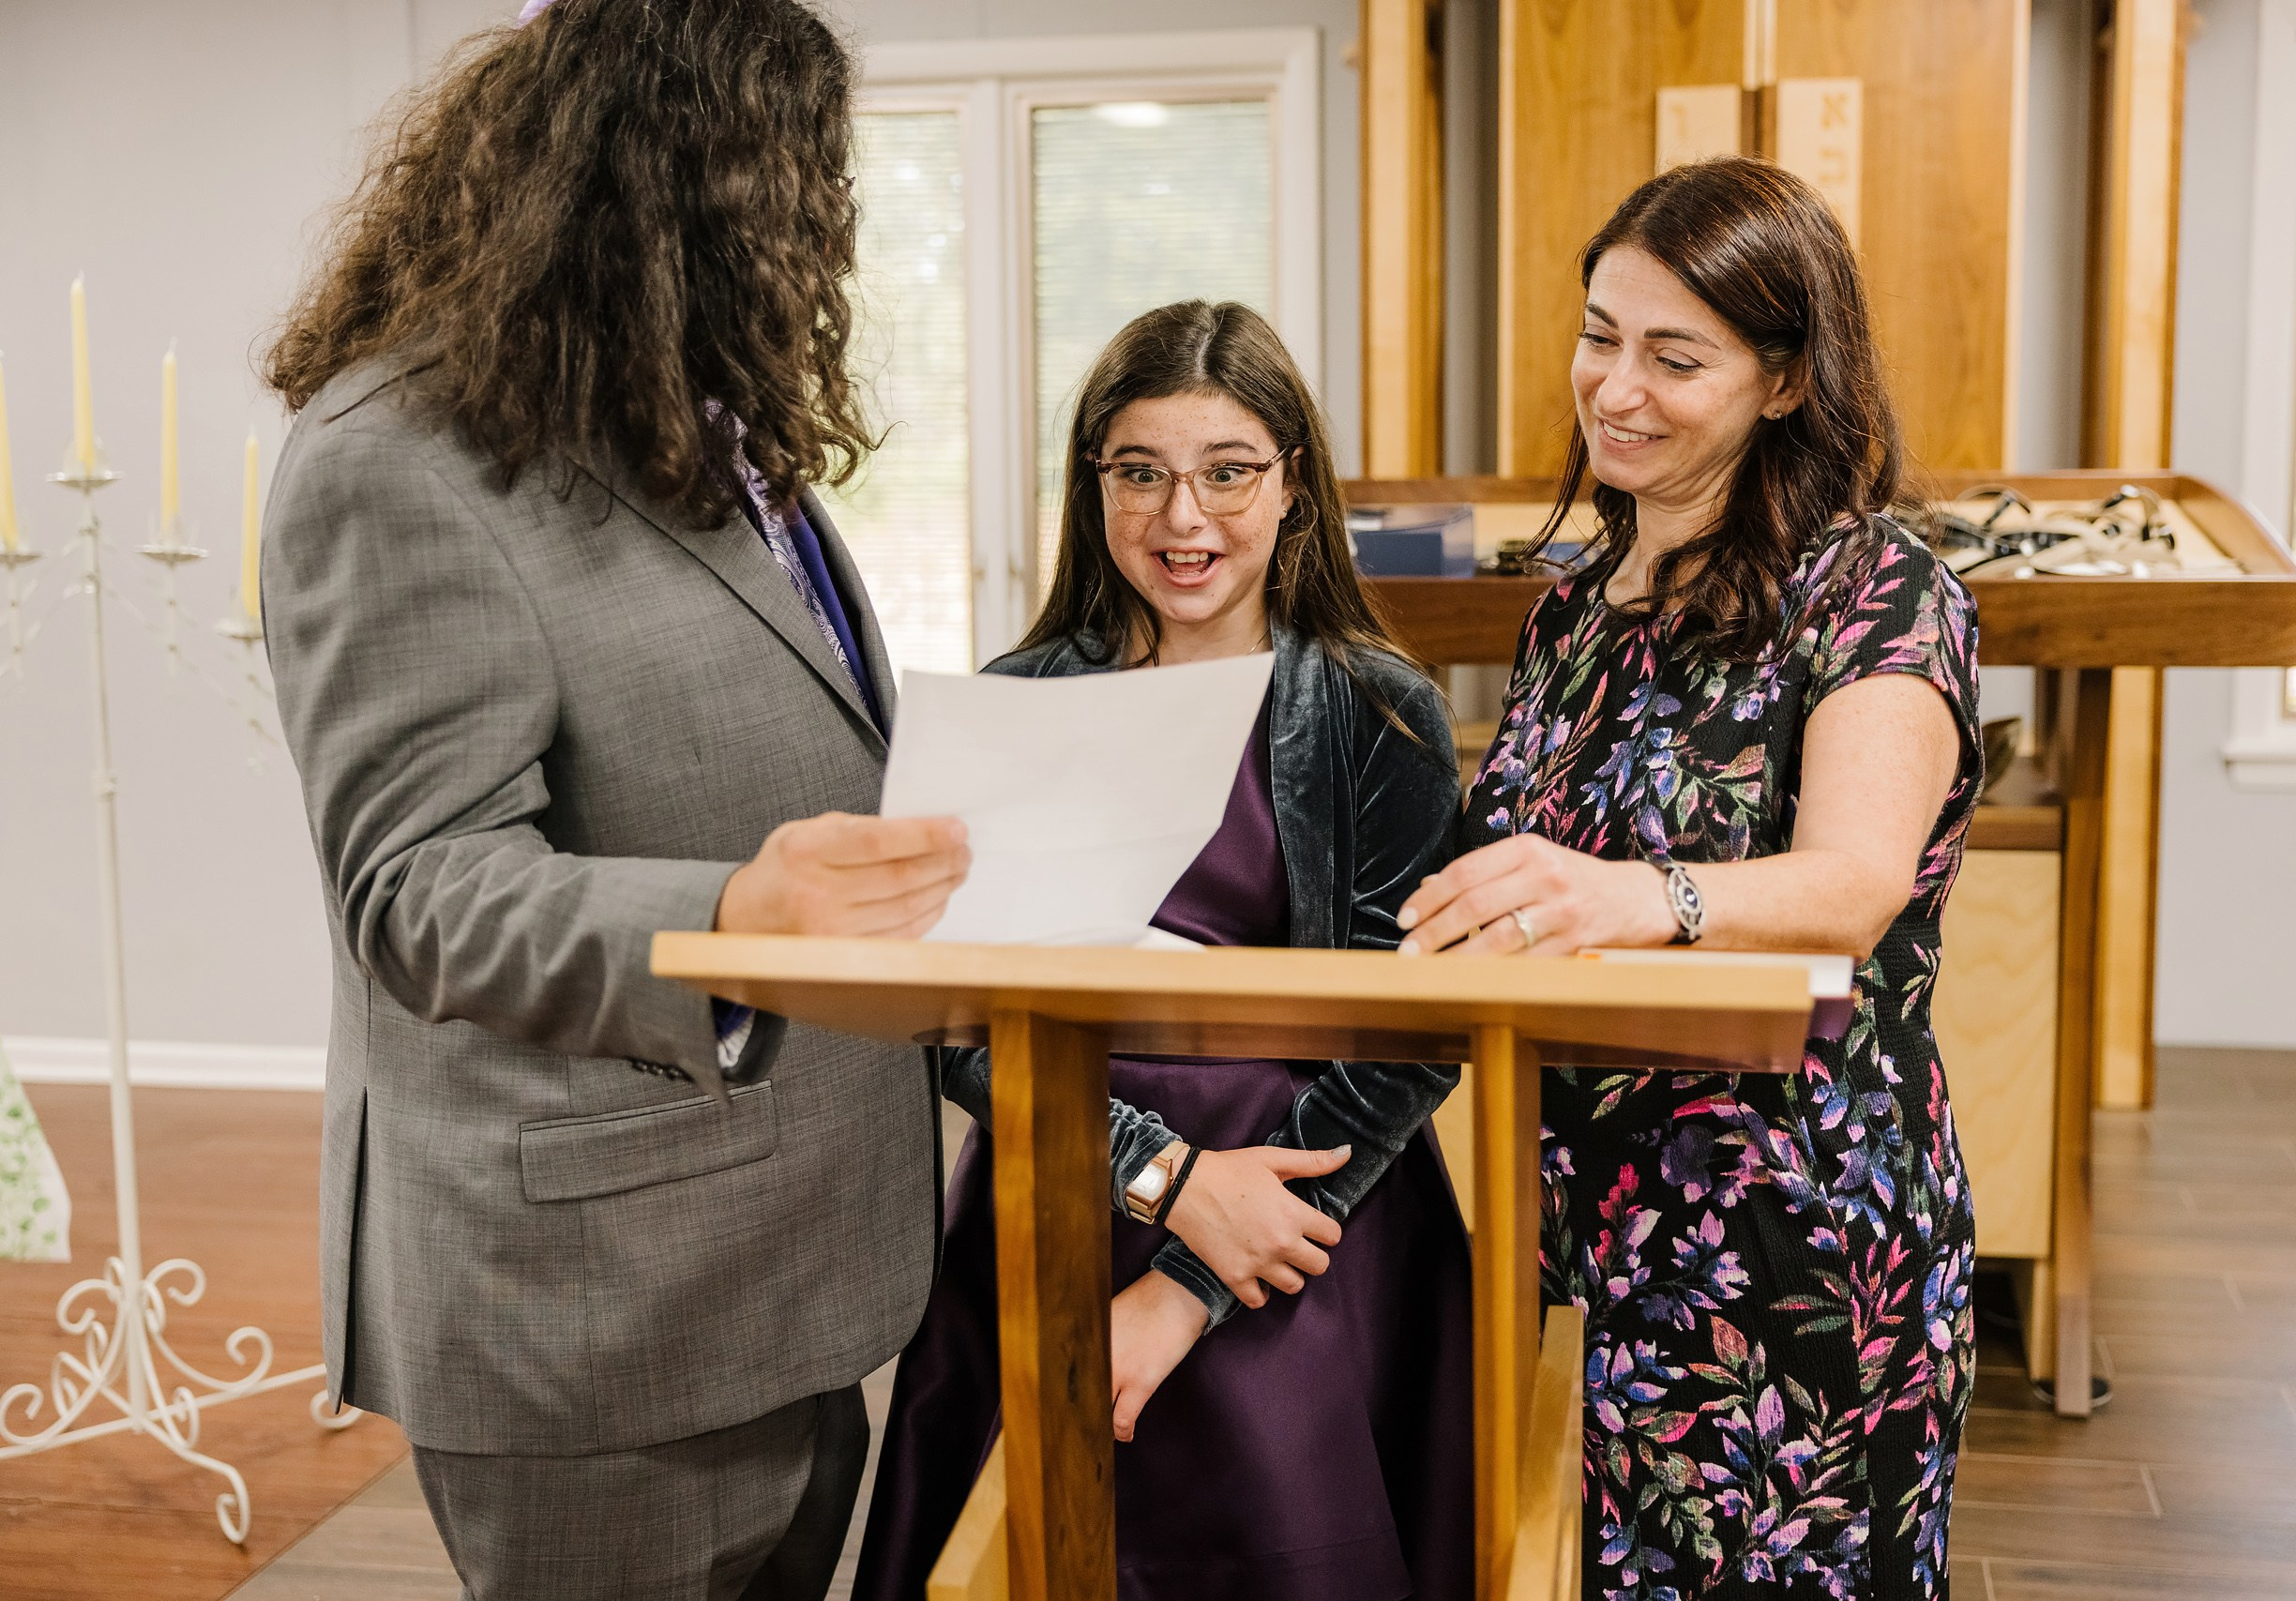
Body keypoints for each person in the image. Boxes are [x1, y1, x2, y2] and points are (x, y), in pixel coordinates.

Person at [257, 4, 971, 1596]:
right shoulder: (396, 458)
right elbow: (418, 888)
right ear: (659, 183)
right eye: (782, 188)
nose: (813, 233)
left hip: (789, 1264)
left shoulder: (691, 408)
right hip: (596, 1314)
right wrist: (731, 914)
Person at [1397, 158, 1981, 1599]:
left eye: (1677, 356)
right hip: (1571, 1238)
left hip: (1788, 1247)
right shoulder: (1572, 613)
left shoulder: (1875, 587)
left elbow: (1854, 882)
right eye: (1601, 334)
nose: (1617, 388)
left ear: (1785, 382)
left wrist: (1637, 897)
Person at [853, 300, 1473, 1601]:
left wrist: (1201, 1265)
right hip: (1064, 1181)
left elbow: (1414, 1031)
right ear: (1095, 486)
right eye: (1140, 473)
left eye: (1227, 472)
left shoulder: (1380, 712)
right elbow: (951, 1027)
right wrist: (1161, 1177)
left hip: (1307, 1220)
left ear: (1294, 485)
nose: (1182, 520)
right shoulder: (1015, 704)